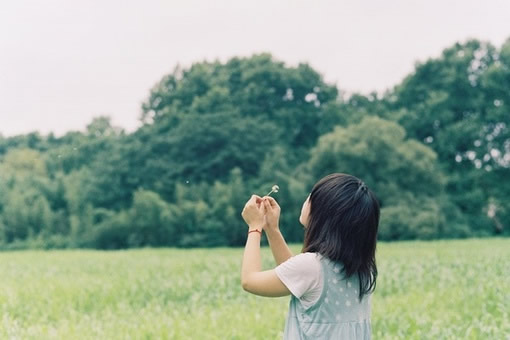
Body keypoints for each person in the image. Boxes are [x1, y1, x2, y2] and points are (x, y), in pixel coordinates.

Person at [241, 173, 380, 339]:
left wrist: (254, 227)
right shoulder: (362, 269)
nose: (306, 199)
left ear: (324, 214)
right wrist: (272, 229)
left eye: (311, 196)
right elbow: (296, 279)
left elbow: (249, 281)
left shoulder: (312, 266)